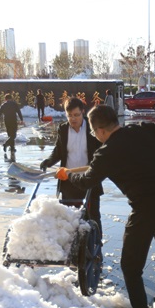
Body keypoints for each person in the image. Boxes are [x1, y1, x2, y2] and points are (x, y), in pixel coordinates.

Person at [56, 105, 155, 308]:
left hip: (147, 207)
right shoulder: (143, 129)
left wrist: (68, 176)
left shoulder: (106, 153)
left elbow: (87, 181)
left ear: (99, 131)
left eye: (93, 132)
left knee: (130, 265)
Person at [40, 97, 103, 236]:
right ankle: (73, 249)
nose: (73, 119)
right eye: (69, 116)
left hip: (89, 180)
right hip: (69, 180)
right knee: (70, 218)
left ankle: (96, 250)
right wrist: (48, 162)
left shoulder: (93, 128)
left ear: (83, 112)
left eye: (76, 115)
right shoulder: (63, 129)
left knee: (93, 216)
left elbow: (102, 151)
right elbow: (58, 151)